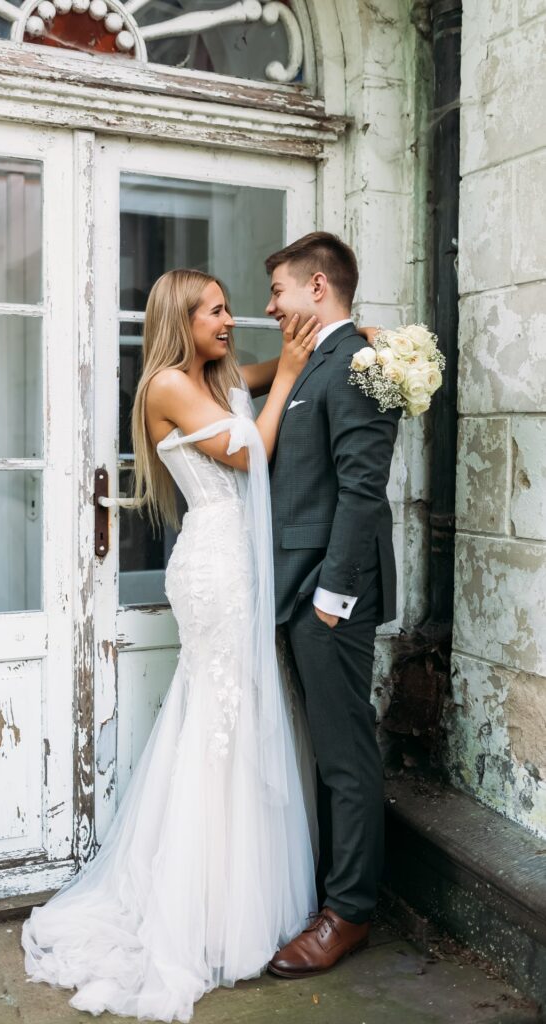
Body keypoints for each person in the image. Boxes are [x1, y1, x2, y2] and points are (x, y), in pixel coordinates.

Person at [22, 269, 324, 1023]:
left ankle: (235, 890)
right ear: (181, 319)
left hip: (238, 565)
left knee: (241, 711)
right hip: (216, 569)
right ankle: (204, 906)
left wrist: (331, 345)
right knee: (219, 718)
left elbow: (254, 377)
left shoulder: (210, 378)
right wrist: (291, 372)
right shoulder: (165, 385)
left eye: (229, 309)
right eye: (216, 311)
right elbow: (251, 449)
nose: (230, 320)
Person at [263, 233, 401, 978]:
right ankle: (327, 893)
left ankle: (349, 914)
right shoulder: (320, 358)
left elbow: (361, 489)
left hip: (329, 594)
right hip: (299, 588)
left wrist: (330, 600)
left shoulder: (356, 364)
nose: (269, 306)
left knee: (345, 755)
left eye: (278, 290)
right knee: (324, 749)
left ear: (317, 288)